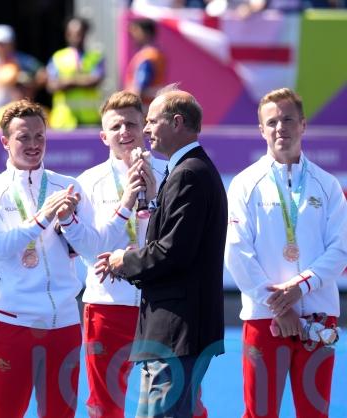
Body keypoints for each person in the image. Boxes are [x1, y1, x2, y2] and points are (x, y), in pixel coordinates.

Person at [94, 85, 227, 417]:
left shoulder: (189, 174)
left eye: (152, 121)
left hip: (176, 331)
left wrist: (123, 260)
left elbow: (173, 252)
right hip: (175, 330)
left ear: (177, 122)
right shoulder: (188, 170)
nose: (146, 129)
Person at [225, 87, 347, 418]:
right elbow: (236, 252)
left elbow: (341, 248)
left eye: (288, 119)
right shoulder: (244, 184)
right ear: (261, 130)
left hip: (318, 315)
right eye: (272, 122)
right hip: (265, 318)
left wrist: (300, 287)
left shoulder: (327, 185)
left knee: (314, 413)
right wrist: (278, 305)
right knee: (260, 413)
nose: (281, 127)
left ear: (303, 125)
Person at [0, 99, 98, 417]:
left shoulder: (68, 187)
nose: (33, 144)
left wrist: (69, 222)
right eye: (23, 137)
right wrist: (41, 220)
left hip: (64, 322)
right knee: (4, 413)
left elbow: (92, 250)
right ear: (5, 141)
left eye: (39, 136)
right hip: (15, 322)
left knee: (60, 414)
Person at [77, 90, 165, 417]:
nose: (124, 132)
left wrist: (153, 199)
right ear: (104, 137)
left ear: (145, 127)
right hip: (107, 304)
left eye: (131, 124)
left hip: (161, 304)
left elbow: (177, 240)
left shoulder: (170, 173)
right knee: (105, 405)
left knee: (177, 400)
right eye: (115, 127)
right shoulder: (88, 182)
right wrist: (127, 201)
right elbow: (90, 250)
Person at [0, 24, 47, 118]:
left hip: (16, 114)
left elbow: (43, 74)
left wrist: (29, 84)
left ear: (11, 44)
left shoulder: (23, 59)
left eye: (2, 44)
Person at [47, 16, 105, 130]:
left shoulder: (96, 57)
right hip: (64, 121)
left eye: (80, 33)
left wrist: (67, 81)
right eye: (72, 33)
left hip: (90, 120)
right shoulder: (58, 57)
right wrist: (82, 80)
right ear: (67, 34)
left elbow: (94, 81)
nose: (76, 37)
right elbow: (52, 86)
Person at [124, 18, 166, 109]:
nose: (132, 35)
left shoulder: (147, 56)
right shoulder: (156, 54)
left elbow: (139, 88)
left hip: (142, 108)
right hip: (152, 106)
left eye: (136, 30)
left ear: (146, 33)